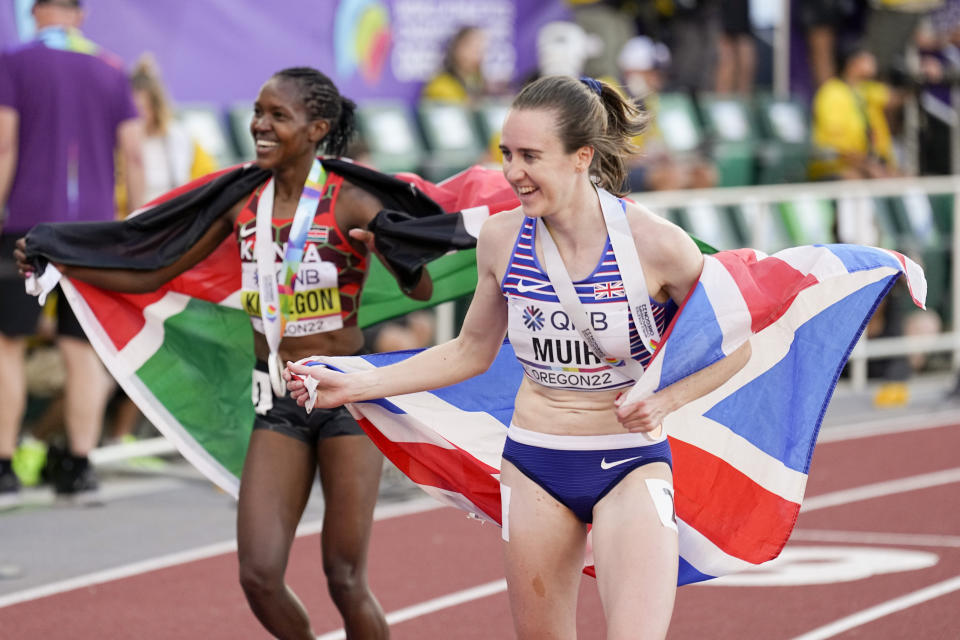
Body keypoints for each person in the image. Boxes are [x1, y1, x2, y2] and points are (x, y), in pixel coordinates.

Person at [285, 75, 751, 639]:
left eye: (531, 156)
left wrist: (667, 400)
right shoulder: (503, 238)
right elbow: (469, 352)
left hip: (629, 460)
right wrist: (353, 385)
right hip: (536, 461)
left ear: (582, 157)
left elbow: (735, 344)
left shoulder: (657, 244)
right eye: (507, 154)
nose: (513, 172)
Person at [16, 67, 432, 639]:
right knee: (259, 576)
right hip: (278, 398)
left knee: (343, 577)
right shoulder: (241, 203)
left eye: (276, 116)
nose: (259, 124)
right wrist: (62, 260)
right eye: (258, 111)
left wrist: (387, 249)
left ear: (317, 129)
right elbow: (154, 269)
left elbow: (422, 288)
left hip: (346, 398)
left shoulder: (351, 201)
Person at [0, 0, 145, 506]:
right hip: (95, 231)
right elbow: (134, 153)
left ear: (35, 11)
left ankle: (3, 468)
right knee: (82, 350)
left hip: (26, 226)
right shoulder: (110, 66)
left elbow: (3, 145)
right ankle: (81, 465)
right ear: (78, 14)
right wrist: (137, 228)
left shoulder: (15, 61)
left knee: (8, 344)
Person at [809, 43, 900, 180]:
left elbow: (896, 98)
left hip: (871, 162)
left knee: (904, 179)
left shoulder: (867, 89)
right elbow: (838, 149)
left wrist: (917, 81)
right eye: (866, 58)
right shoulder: (832, 92)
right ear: (852, 62)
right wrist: (869, 166)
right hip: (836, 166)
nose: (873, 61)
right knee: (855, 179)